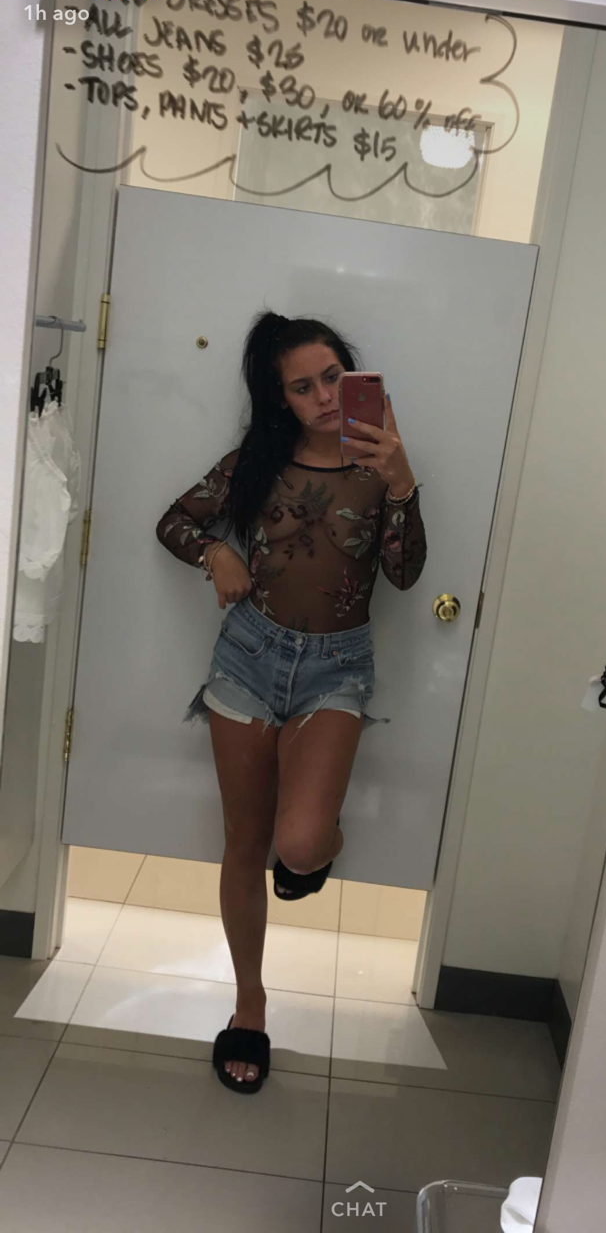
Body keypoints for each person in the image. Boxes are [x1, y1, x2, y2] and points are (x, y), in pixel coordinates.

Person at [156, 310, 427, 1094]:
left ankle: (313, 859)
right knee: (245, 845)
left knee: (299, 844)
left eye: (333, 377)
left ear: (354, 374)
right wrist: (216, 552)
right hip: (247, 658)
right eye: (303, 387)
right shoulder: (256, 463)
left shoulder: (380, 464)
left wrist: (404, 484)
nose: (324, 397)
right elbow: (173, 520)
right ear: (281, 399)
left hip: (335, 670)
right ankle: (250, 1004)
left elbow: (404, 574)